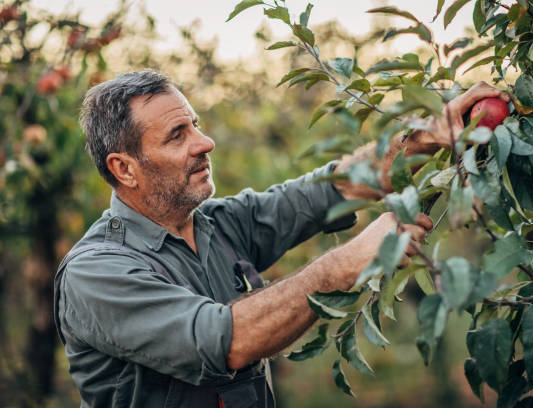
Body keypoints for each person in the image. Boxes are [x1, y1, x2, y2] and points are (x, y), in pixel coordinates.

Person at [53, 70, 508, 408]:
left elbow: (335, 187)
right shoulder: (96, 273)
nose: (205, 142)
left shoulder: (217, 224)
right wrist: (341, 266)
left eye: (195, 124)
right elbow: (225, 341)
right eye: (178, 135)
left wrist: (431, 135)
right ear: (124, 168)